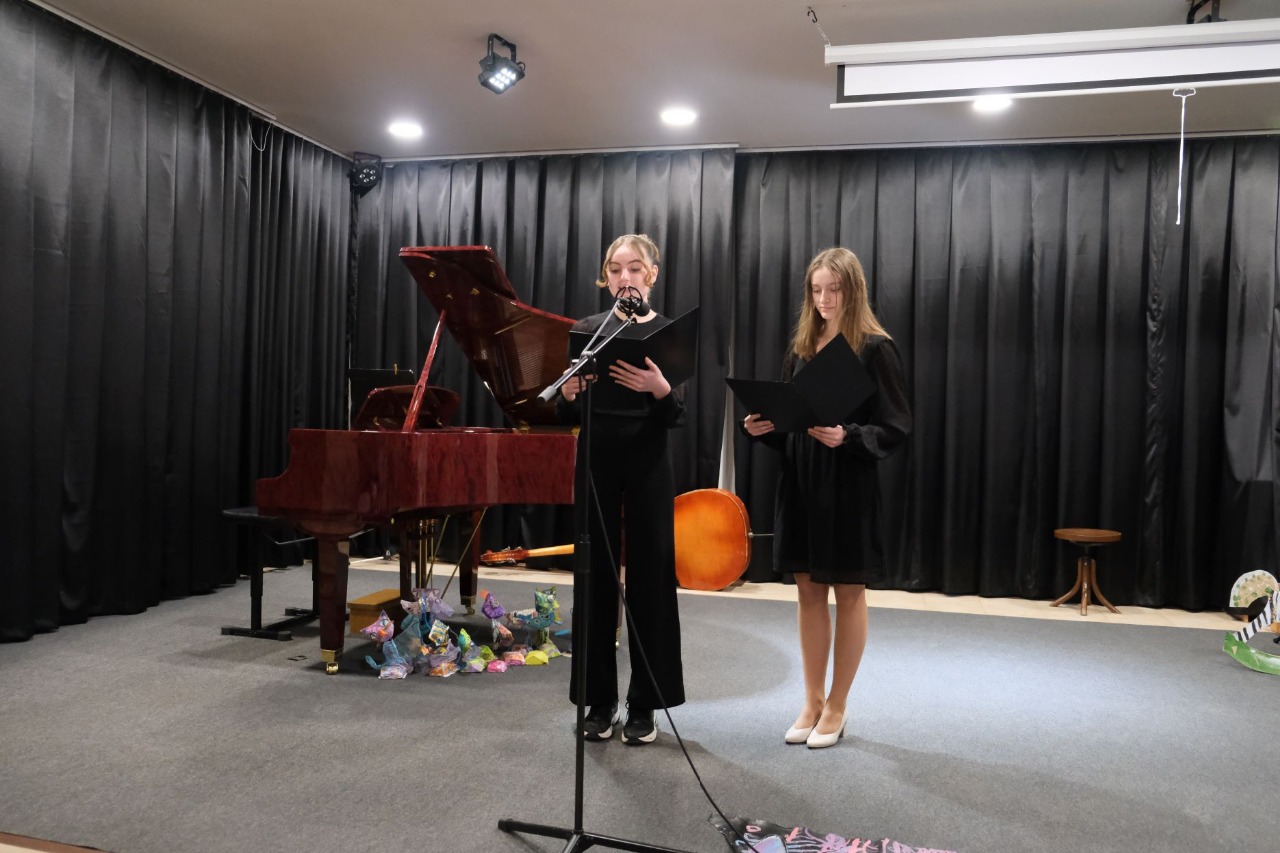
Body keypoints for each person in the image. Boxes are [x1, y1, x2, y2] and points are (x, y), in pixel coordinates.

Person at [743, 246, 911, 749]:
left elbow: (896, 426)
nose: (824, 300)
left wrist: (849, 436)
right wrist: (765, 427)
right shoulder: (801, 347)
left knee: (849, 590)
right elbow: (792, 420)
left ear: (852, 290)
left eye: (833, 290)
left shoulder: (875, 349)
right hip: (801, 480)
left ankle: (838, 704)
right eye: (816, 290)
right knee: (807, 590)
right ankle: (812, 700)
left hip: (848, 482)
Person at [555, 233, 686, 745]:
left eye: (634, 268)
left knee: (651, 578)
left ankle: (645, 704)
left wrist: (660, 389)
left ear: (651, 274)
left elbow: (677, 414)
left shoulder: (668, 332)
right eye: (615, 269)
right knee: (595, 577)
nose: (624, 277)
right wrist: (568, 394)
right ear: (605, 277)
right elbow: (563, 410)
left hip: (649, 461)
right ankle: (599, 700)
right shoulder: (589, 331)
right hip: (598, 461)